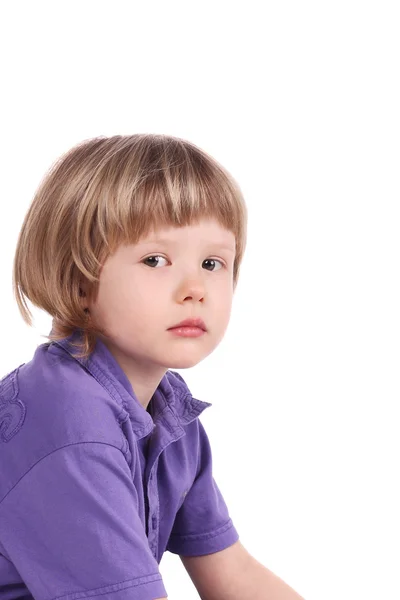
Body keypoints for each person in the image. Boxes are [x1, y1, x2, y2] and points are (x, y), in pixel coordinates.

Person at [0, 134, 304, 600]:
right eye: (155, 259)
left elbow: (233, 575)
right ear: (80, 282)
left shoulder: (168, 415)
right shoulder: (72, 427)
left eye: (212, 262)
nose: (195, 287)